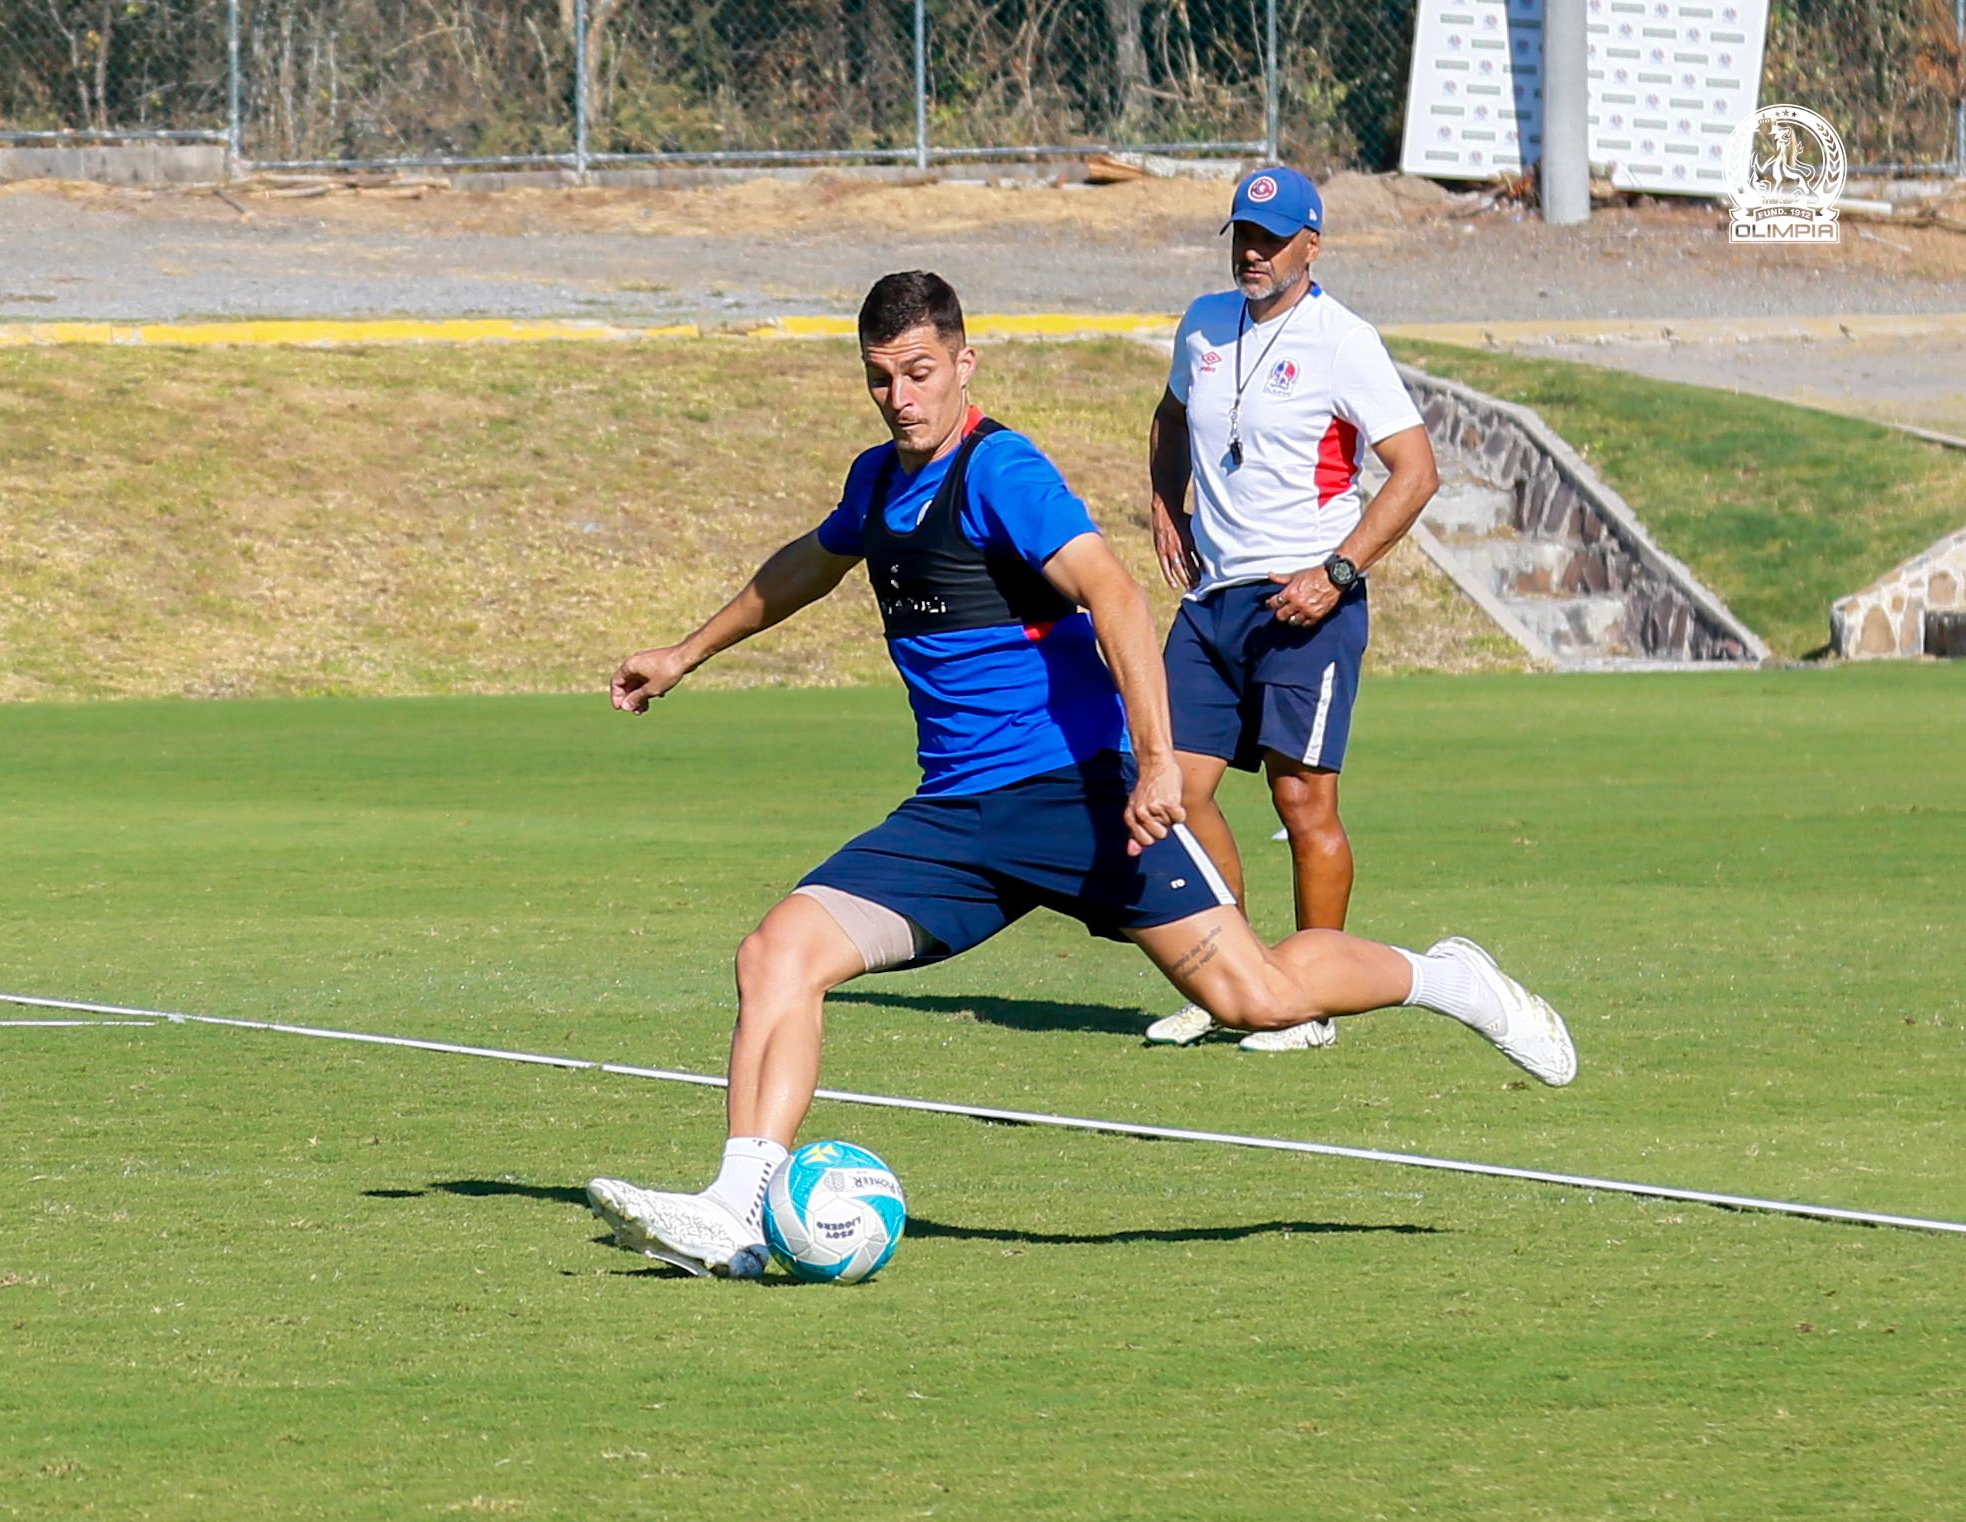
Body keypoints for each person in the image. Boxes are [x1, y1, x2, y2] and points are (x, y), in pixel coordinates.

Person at [587, 270, 1572, 1279]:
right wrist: (684, 653)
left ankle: (1450, 977)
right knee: (776, 955)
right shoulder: (877, 483)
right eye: (881, 379)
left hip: (1079, 796)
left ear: (964, 364)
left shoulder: (1000, 470)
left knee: (1258, 994)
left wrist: (1155, 764)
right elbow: (809, 560)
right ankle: (736, 1210)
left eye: (919, 372)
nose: (901, 397)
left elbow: (1117, 598)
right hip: (955, 818)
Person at [1143, 166, 1443, 1054]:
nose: (1252, 253)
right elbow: (1170, 420)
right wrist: (1168, 504)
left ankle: (1310, 1003)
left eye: (1271, 240)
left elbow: (1415, 469)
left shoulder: (1344, 340)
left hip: (1305, 602)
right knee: (1169, 794)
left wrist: (1338, 574)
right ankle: (1229, 977)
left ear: (1313, 244)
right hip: (1211, 601)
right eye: (1242, 234)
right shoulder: (1201, 322)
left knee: (1302, 803)